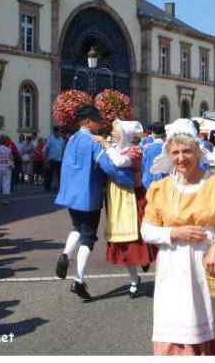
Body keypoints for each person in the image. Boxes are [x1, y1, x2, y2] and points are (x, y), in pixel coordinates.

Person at [141, 119, 215, 355]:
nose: (181, 158)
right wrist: (174, 232)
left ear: (198, 151)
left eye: (187, 151)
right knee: (177, 325)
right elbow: (147, 230)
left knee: (209, 322)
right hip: (174, 267)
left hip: (207, 266)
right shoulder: (161, 188)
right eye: (175, 152)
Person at [54, 105, 135, 302]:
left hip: (70, 195)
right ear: (88, 121)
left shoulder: (71, 139)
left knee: (77, 227)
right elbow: (109, 167)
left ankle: (66, 253)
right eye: (96, 120)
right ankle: (79, 280)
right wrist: (130, 180)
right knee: (88, 238)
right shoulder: (93, 142)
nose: (99, 124)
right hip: (88, 195)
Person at [96, 120, 157, 297]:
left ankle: (147, 261)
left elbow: (120, 162)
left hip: (134, 196)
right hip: (116, 197)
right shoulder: (116, 148)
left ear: (125, 134)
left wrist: (106, 145)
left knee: (138, 238)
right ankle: (134, 279)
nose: (113, 133)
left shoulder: (135, 151)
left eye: (116, 130)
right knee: (121, 241)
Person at [141, 122, 166, 190]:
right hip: (164, 182)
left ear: (152, 133)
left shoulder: (146, 148)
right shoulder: (167, 147)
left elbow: (143, 166)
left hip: (148, 182)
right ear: (164, 133)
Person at [44, 126, 66, 192]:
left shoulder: (61, 139)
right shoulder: (50, 138)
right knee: (50, 174)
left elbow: (63, 149)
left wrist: (63, 158)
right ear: (55, 132)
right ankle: (47, 187)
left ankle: (57, 187)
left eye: (59, 131)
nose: (59, 133)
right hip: (51, 159)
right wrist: (46, 159)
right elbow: (47, 149)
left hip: (59, 160)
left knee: (58, 174)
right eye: (58, 131)